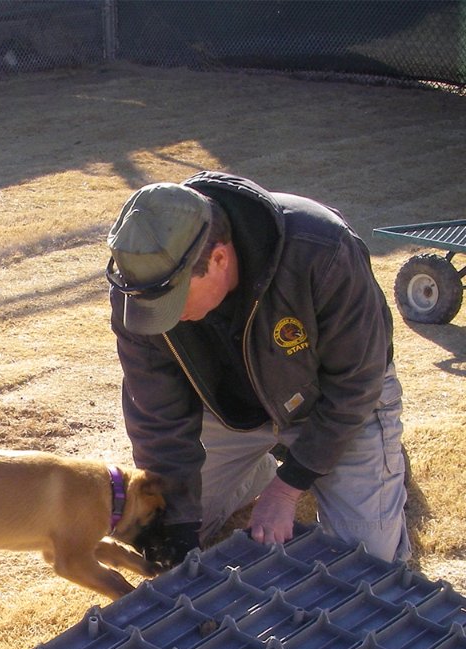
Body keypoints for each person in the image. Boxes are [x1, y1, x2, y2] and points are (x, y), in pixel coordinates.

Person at [107, 171, 409, 567]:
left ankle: (370, 460)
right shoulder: (139, 289)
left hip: (331, 406)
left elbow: (356, 385)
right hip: (229, 414)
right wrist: (178, 530)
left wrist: (288, 487)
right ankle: (256, 469)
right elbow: (158, 417)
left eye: (174, 301)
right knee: (159, 528)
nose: (161, 317)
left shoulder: (322, 249)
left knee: (367, 563)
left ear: (219, 259)